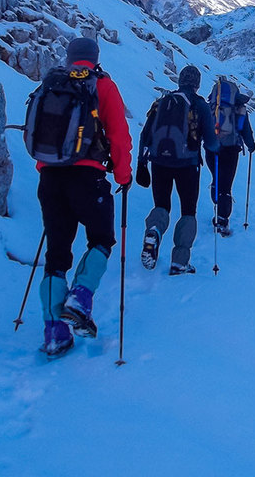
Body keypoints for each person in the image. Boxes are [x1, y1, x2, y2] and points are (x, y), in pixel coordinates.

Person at [36, 37, 132, 357]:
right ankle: (80, 298)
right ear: (95, 58)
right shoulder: (103, 86)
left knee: (56, 255)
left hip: (50, 178)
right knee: (102, 239)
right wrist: (123, 176)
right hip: (88, 177)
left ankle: (55, 333)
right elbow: (119, 136)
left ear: (69, 57)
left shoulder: (52, 82)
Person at [137, 65, 219, 275]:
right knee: (188, 211)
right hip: (187, 166)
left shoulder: (162, 102)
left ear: (180, 81)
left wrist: (141, 164)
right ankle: (179, 262)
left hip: (159, 163)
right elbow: (210, 142)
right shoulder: (199, 105)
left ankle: (154, 231)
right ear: (197, 84)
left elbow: (145, 134)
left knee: (162, 205)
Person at [205, 76, 255, 237]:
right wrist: (251, 145)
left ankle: (216, 197)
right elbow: (245, 129)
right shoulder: (239, 107)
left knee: (216, 177)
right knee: (226, 185)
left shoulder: (211, 106)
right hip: (231, 149)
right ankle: (222, 219)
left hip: (211, 148)